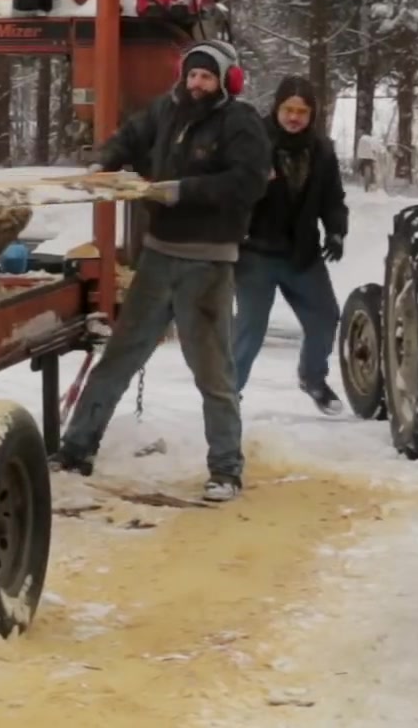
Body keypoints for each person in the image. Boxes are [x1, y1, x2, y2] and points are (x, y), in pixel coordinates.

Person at [55, 39, 270, 502]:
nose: (196, 84)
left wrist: (182, 190)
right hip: (158, 256)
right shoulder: (166, 110)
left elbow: (248, 182)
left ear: (227, 81)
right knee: (119, 357)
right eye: (192, 75)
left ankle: (226, 469)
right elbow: (131, 138)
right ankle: (76, 450)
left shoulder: (241, 122)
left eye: (207, 77)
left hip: (208, 263)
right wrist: (103, 163)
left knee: (213, 372)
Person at [229, 76, 349, 414]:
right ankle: (228, 395)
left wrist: (336, 231)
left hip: (301, 254)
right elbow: (231, 191)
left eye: (302, 111)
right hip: (256, 253)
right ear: (277, 108)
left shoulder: (322, 151)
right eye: (288, 109)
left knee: (325, 317)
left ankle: (313, 377)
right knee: (251, 327)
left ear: (312, 114)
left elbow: (333, 199)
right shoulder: (255, 142)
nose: (294, 117)